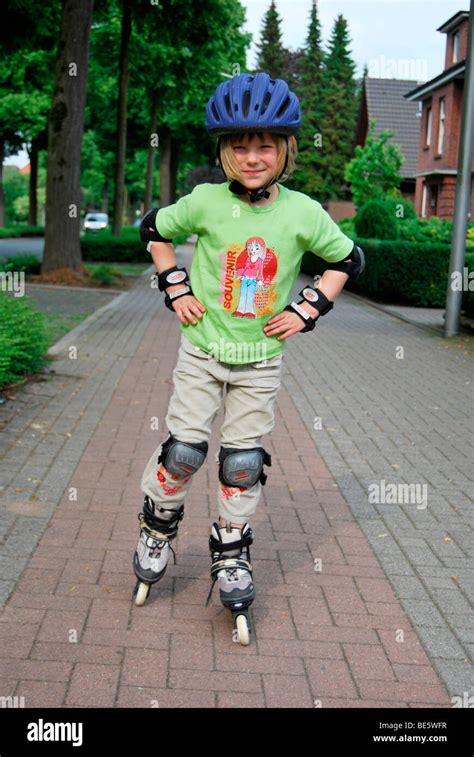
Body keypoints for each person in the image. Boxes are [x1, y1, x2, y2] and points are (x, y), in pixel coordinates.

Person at [132, 71, 364, 644]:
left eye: (265, 144)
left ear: (286, 149)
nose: (252, 156)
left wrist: (308, 308)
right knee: (184, 451)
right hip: (203, 352)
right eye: (239, 144)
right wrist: (177, 287)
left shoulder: (304, 212)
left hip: (261, 360)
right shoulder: (206, 201)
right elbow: (152, 230)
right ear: (223, 150)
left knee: (241, 464)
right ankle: (157, 528)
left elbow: (348, 260)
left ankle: (231, 550)